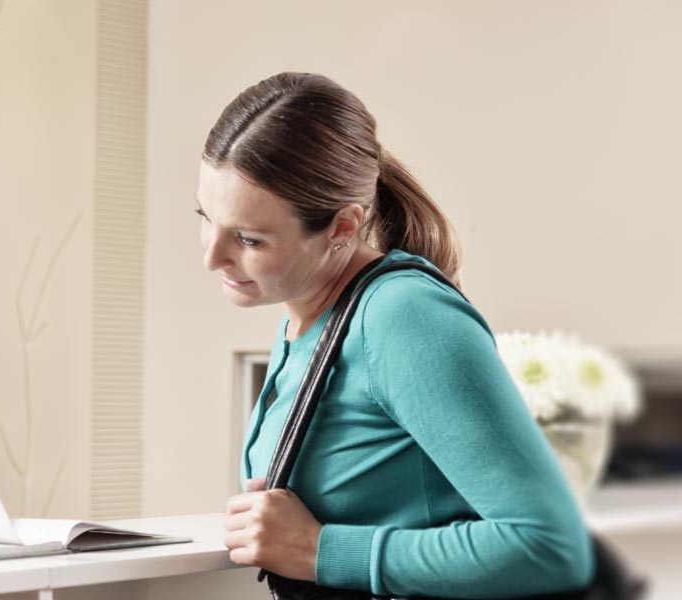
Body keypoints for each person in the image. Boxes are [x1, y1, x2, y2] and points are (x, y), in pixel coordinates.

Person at [200, 73, 593, 597]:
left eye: (249, 238)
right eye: (205, 217)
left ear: (343, 227)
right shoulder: (309, 318)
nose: (212, 257)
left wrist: (320, 551)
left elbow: (550, 547)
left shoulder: (403, 316)